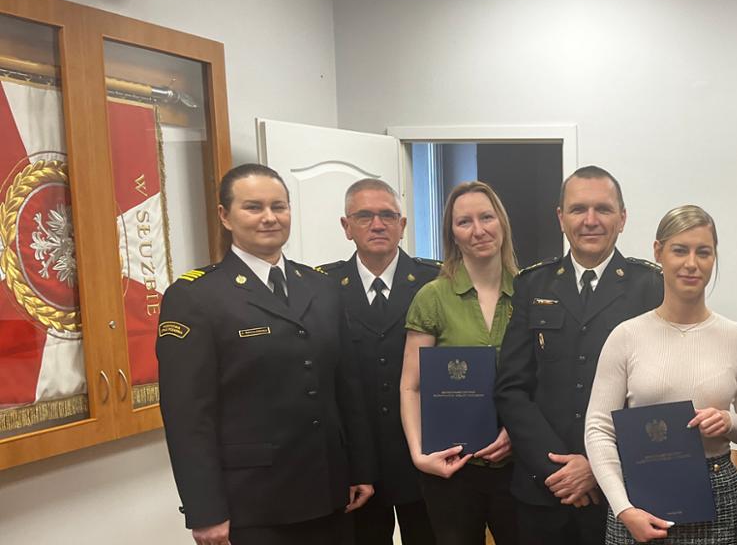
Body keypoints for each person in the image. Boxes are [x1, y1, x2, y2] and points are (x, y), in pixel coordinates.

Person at [156, 163, 375, 545]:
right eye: (253, 207)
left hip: (329, 490)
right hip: (254, 502)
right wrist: (205, 510)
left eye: (279, 206)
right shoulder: (196, 297)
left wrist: (361, 468)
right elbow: (187, 416)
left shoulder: (321, 287)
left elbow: (347, 387)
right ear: (225, 216)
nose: (269, 217)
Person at [494, 166, 663, 545]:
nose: (590, 220)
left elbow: (656, 397)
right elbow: (512, 388)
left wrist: (596, 467)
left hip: (620, 494)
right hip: (543, 487)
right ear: (561, 218)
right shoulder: (532, 284)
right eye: (578, 209)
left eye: (603, 209)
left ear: (622, 218)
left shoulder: (651, 287)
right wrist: (555, 466)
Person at [584, 204, 737, 545]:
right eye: (680, 250)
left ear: (714, 257)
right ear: (658, 252)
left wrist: (729, 421)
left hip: (716, 498)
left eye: (703, 252)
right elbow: (598, 429)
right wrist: (623, 507)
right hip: (637, 501)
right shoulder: (626, 336)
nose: (691, 263)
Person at [399, 181, 521, 545]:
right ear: (452, 233)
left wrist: (518, 432)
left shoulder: (530, 291)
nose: (478, 230)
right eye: (464, 222)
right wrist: (419, 454)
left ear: (502, 222)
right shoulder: (432, 297)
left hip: (518, 466)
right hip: (452, 467)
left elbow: (542, 379)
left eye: (486, 217)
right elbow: (410, 386)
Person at [319, 178, 439, 545]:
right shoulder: (321, 287)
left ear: (402, 225)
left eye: (387, 215)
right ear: (346, 226)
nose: (377, 224)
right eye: (364, 216)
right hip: (356, 459)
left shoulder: (436, 281)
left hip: (425, 451)